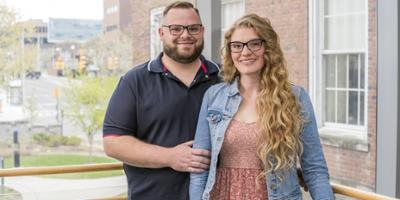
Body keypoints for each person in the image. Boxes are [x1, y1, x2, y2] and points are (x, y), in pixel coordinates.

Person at [189, 14, 334, 200]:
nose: (245, 52)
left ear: (268, 48)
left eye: (254, 44)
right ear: (230, 51)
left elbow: (314, 169)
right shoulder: (214, 97)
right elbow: (200, 167)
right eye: (237, 46)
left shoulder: (294, 98)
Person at [102, 2, 220, 200]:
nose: (185, 35)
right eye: (175, 29)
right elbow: (113, 143)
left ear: (202, 31)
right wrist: (170, 157)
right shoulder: (135, 81)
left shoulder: (224, 79)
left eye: (193, 28)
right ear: (161, 33)